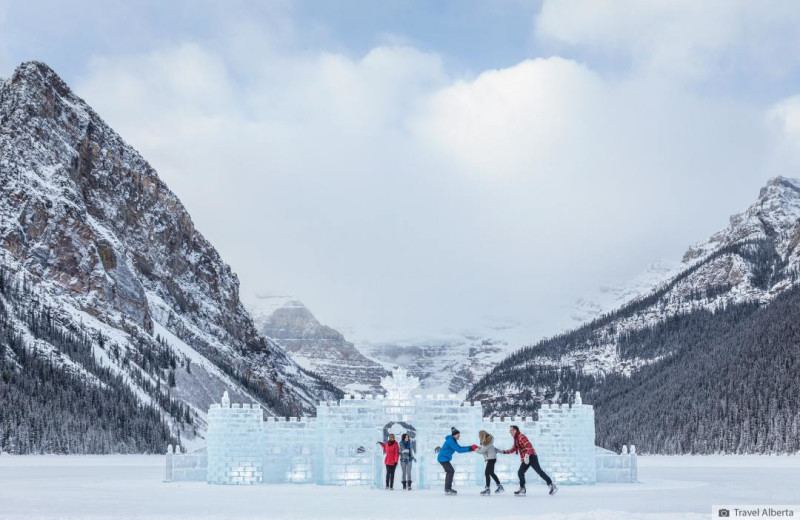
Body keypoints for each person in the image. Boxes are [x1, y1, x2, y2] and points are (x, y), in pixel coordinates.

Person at [502, 425, 557, 496]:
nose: (510, 432)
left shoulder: (521, 437)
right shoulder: (516, 439)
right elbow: (513, 449)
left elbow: (529, 446)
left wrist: (527, 455)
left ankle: (551, 485)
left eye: (511, 430)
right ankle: (522, 488)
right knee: (520, 472)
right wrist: (502, 451)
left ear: (515, 430)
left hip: (531, 456)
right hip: (526, 458)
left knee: (539, 471)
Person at [436, 427, 477, 495]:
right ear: (454, 435)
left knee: (450, 471)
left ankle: (447, 488)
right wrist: (470, 448)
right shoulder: (451, 441)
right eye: (458, 435)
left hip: (444, 458)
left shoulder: (452, 440)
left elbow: (459, 448)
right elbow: (459, 450)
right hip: (443, 458)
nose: (459, 436)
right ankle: (447, 488)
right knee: (450, 471)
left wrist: (470, 448)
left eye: (459, 435)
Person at [475, 430, 503, 495]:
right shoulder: (488, 441)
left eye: (479, 436)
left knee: (487, 473)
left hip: (491, 459)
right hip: (491, 459)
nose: (479, 437)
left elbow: (481, 451)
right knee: (491, 473)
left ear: (482, 436)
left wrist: (474, 448)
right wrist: (478, 447)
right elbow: (487, 449)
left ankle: (487, 489)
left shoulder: (487, 443)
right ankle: (499, 486)